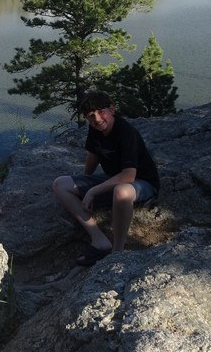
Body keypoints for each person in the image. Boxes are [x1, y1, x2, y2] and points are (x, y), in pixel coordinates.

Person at [53, 90, 160, 266]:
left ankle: (117, 252)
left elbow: (129, 175)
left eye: (100, 112)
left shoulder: (126, 132)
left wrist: (92, 191)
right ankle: (100, 241)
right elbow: (93, 155)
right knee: (60, 184)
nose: (96, 119)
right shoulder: (96, 129)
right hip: (112, 178)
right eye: (90, 116)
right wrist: (83, 183)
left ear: (112, 108)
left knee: (121, 191)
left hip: (142, 183)